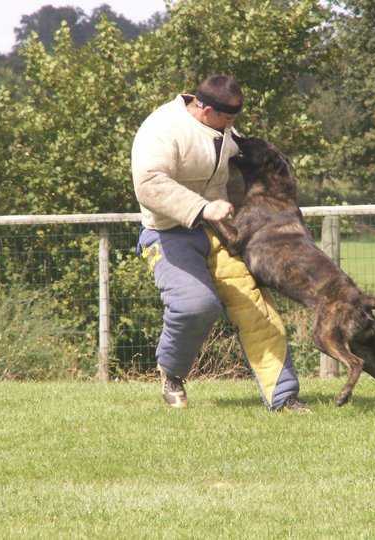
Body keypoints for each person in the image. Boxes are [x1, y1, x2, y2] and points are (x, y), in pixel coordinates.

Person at [131, 74, 308, 412]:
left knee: (256, 308)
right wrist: (202, 207)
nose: (232, 126)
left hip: (221, 230)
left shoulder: (223, 129)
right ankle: (172, 374)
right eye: (227, 118)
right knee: (196, 305)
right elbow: (149, 184)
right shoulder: (161, 129)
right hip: (168, 231)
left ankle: (284, 398)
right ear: (205, 108)